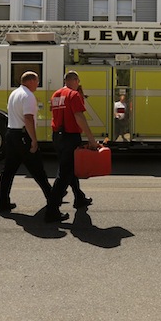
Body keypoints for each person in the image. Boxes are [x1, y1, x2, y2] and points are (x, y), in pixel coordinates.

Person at [0, 71, 62, 220]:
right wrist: (34, 140)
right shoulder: (28, 96)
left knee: (8, 171)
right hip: (23, 136)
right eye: (37, 81)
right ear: (30, 81)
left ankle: (2, 202)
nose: (38, 84)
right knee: (39, 172)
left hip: (11, 134)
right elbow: (28, 118)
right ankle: (53, 207)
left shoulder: (15, 94)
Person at [48, 70, 98, 218]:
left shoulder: (55, 95)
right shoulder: (73, 95)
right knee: (64, 174)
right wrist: (91, 139)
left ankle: (79, 198)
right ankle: (52, 210)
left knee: (69, 168)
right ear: (75, 81)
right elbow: (79, 116)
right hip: (70, 137)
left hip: (57, 136)